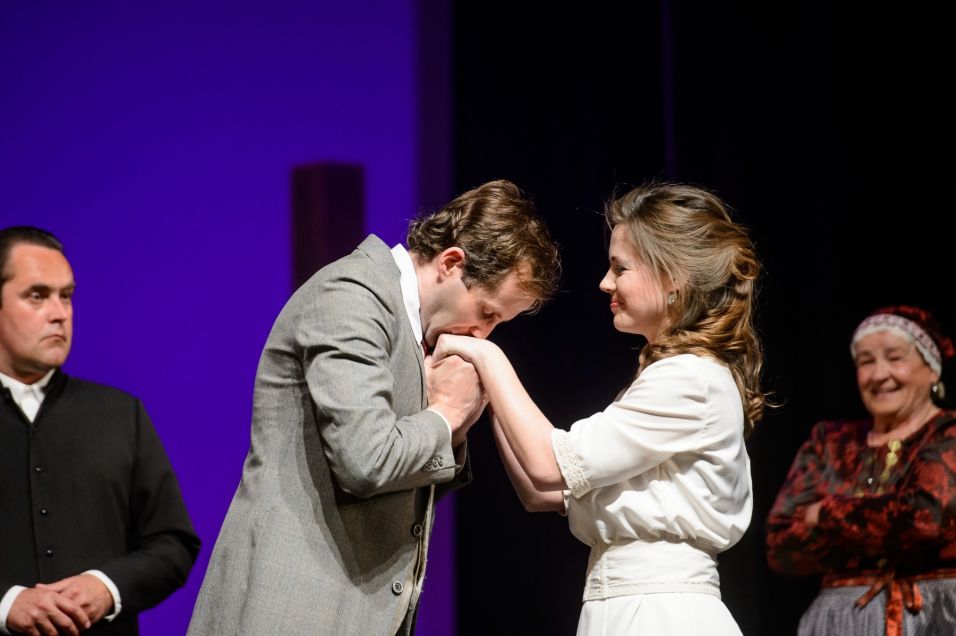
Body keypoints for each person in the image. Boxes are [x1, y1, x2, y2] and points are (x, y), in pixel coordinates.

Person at [187, 179, 561, 635]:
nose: (483, 333)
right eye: (486, 312)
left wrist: (454, 428)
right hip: (294, 606)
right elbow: (365, 461)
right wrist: (445, 415)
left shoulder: (412, 329)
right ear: (451, 262)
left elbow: (401, 493)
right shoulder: (352, 295)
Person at [432, 182, 765, 635]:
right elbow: (540, 492)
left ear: (673, 278)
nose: (605, 282)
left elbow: (549, 466)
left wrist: (489, 358)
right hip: (622, 605)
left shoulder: (691, 378)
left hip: (662, 612)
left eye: (620, 268)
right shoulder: (670, 377)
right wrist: (489, 386)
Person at [0, 226, 200, 636]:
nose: (59, 313)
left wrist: (107, 587)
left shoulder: (121, 414)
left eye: (66, 296)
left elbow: (173, 544)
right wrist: (5, 604)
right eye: (37, 296)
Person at [766, 305, 956, 636]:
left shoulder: (947, 433)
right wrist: (881, 524)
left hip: (932, 614)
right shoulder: (830, 442)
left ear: (932, 370)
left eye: (895, 358)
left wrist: (824, 513)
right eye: (866, 361)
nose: (879, 374)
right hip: (839, 619)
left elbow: (922, 522)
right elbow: (781, 546)